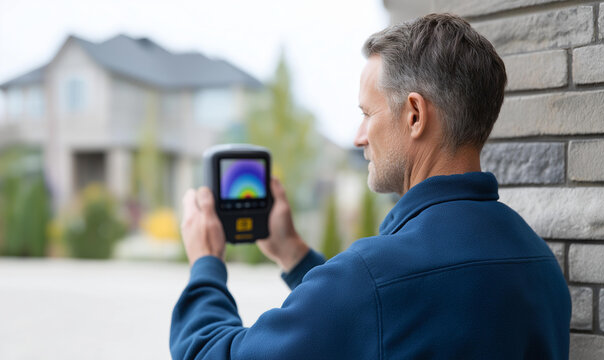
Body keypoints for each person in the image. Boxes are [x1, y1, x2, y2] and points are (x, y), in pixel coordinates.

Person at [170, 14, 571, 359]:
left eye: (367, 113)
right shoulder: (538, 262)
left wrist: (206, 264)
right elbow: (384, 322)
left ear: (414, 114)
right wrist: (292, 252)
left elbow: (211, 352)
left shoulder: (374, 278)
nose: (359, 137)